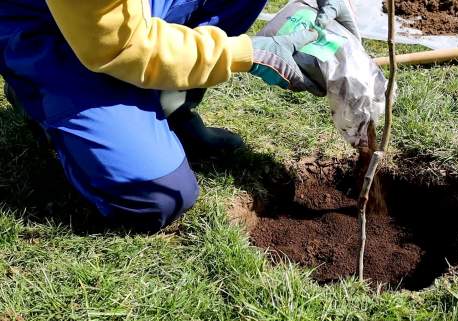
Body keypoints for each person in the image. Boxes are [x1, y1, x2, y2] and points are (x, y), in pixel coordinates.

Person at [0, 0, 358, 231]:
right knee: (155, 197)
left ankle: (170, 107)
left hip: (129, 11)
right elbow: (123, 45)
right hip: (54, 29)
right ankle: (39, 92)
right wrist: (244, 53)